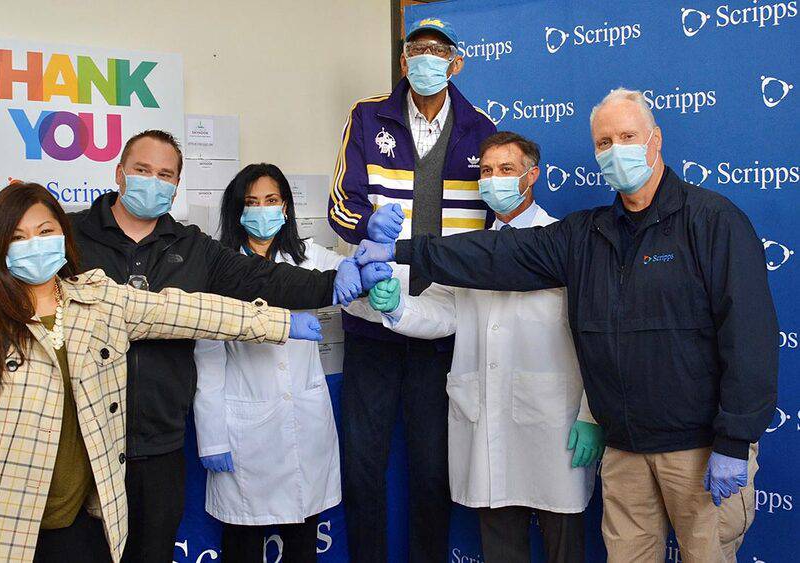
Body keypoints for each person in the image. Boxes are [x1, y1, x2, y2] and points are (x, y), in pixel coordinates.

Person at [354, 88, 778, 562]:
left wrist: (736, 438)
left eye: (627, 136)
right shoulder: (587, 235)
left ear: (655, 141)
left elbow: (750, 335)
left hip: (695, 449)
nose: (615, 150)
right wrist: (402, 252)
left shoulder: (712, 221)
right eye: (603, 142)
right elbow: (498, 253)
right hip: (626, 451)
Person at [0, 130, 365, 563]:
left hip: (156, 443)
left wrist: (311, 300)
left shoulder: (175, 255)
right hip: (75, 451)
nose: (153, 181)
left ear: (176, 185)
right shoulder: (70, 238)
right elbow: (0, 293)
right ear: (119, 173)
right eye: (142, 169)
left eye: (166, 174)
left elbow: (205, 307)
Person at [367, 131, 603, 563]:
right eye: (487, 171)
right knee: (499, 542)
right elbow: (444, 313)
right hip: (486, 418)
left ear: (532, 176)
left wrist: (591, 413)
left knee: (563, 541)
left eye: (507, 170)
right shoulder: (467, 250)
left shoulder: (563, 242)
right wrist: (398, 308)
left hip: (554, 422)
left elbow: (593, 336)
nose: (494, 180)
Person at [326, 16, 496, 561]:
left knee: (432, 469)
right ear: (403, 60)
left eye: (437, 50)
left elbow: (493, 225)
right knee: (363, 463)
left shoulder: (482, 128)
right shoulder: (366, 115)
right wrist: (365, 233)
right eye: (415, 49)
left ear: (456, 62)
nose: (425, 58)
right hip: (371, 323)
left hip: (442, 323)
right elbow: (342, 203)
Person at [193, 163, 380, 562]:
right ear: (236, 210)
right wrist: (212, 436)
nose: (263, 210)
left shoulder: (308, 256)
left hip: (304, 425)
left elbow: (357, 279)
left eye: (272, 200)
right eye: (252, 202)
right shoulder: (219, 265)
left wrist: (361, 262)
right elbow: (207, 361)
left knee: (302, 542)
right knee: (242, 545)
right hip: (244, 431)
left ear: (286, 206)